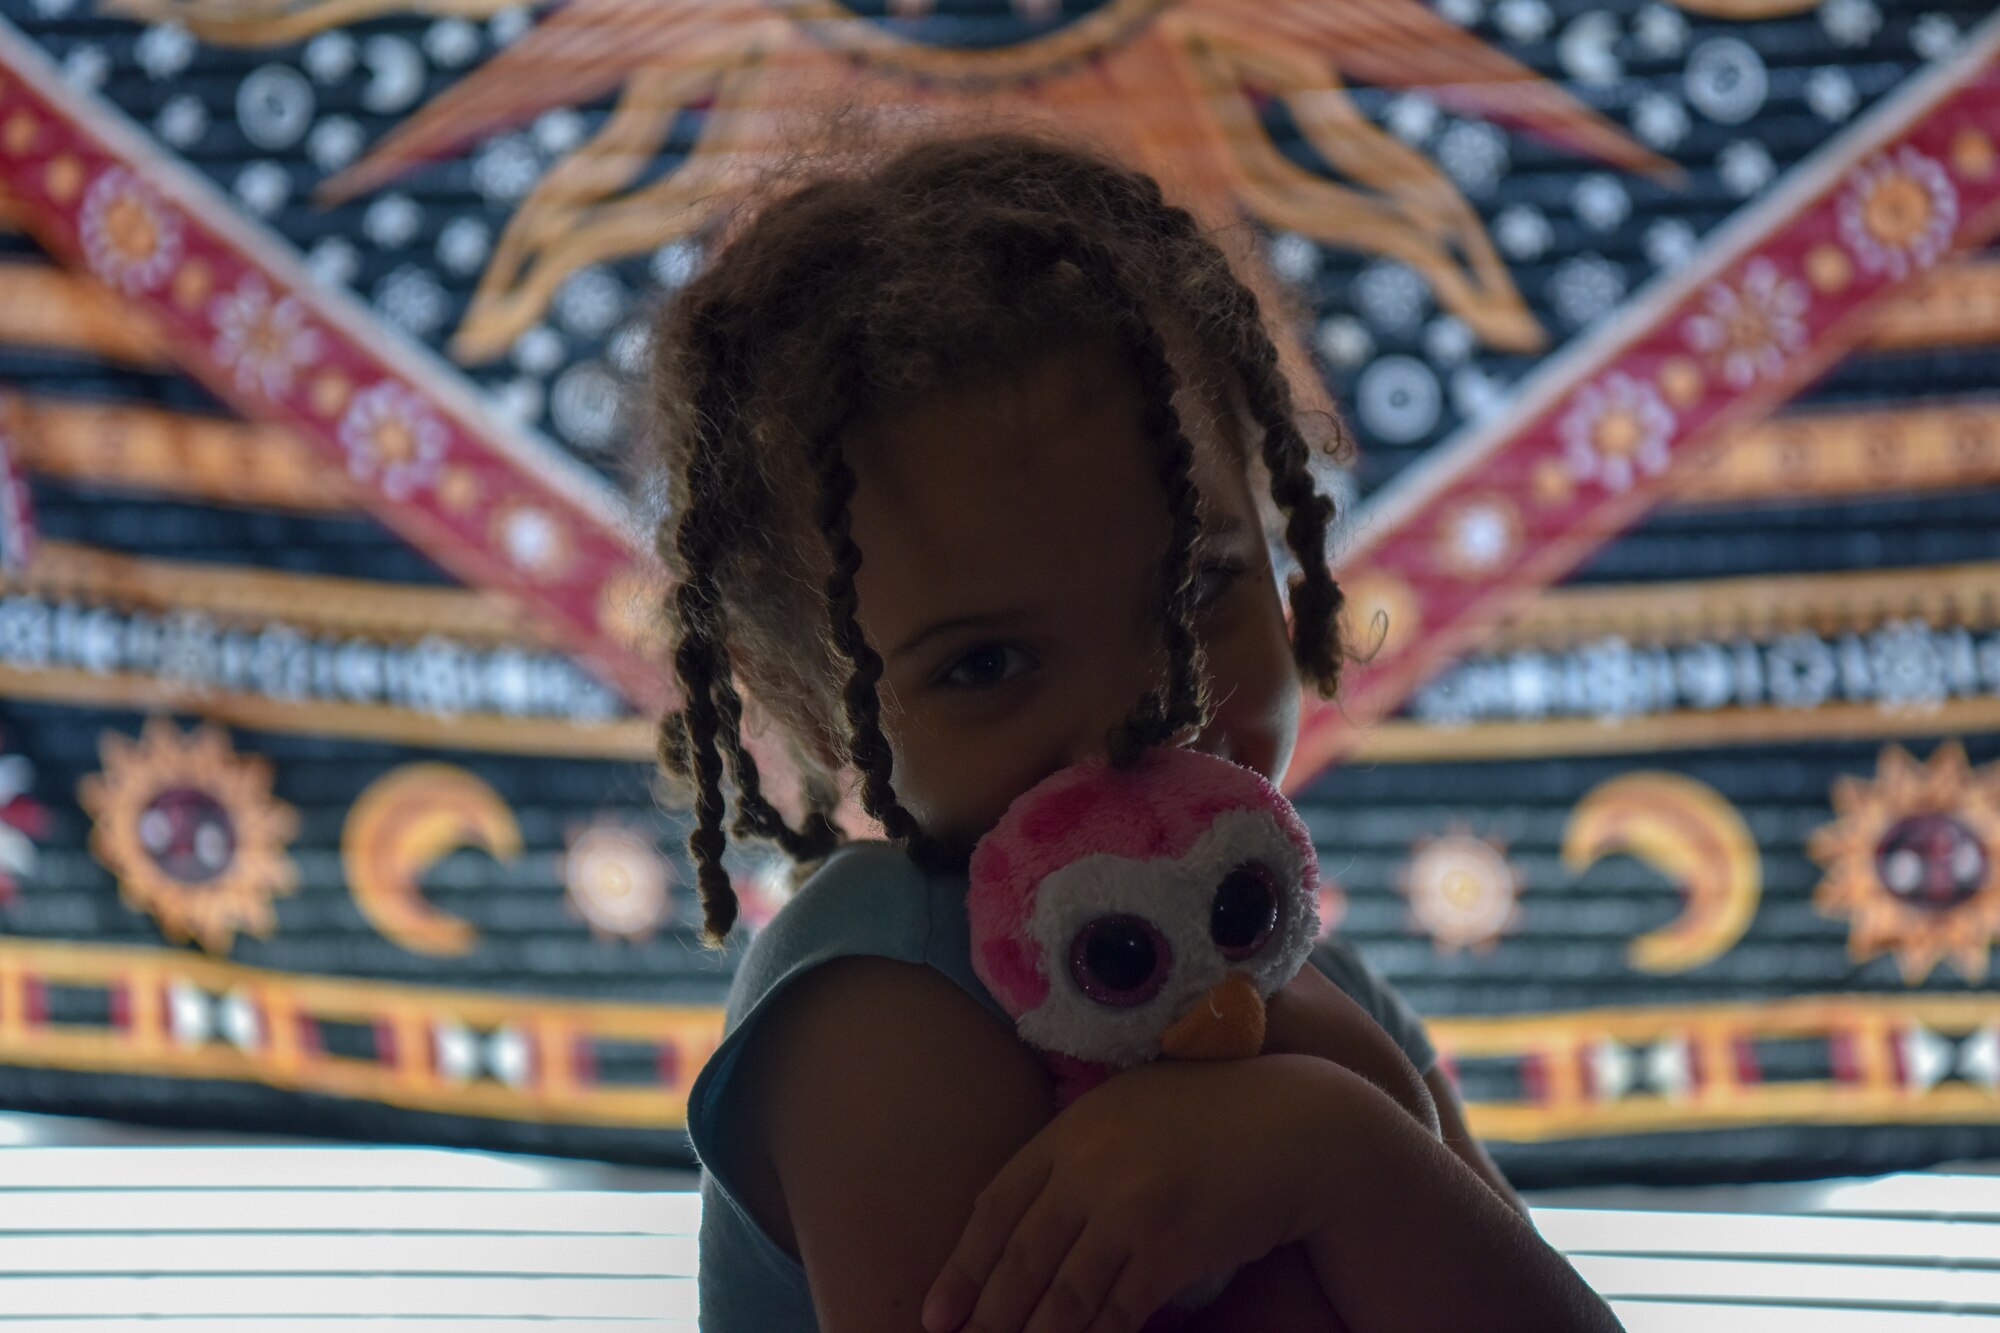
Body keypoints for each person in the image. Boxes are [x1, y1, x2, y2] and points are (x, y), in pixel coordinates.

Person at [653, 129, 1621, 1332]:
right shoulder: (881, 1001)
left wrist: (1345, 1147)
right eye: (986, 664)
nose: (1137, 711)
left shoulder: (1318, 983)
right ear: (811, 706)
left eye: (1195, 591)